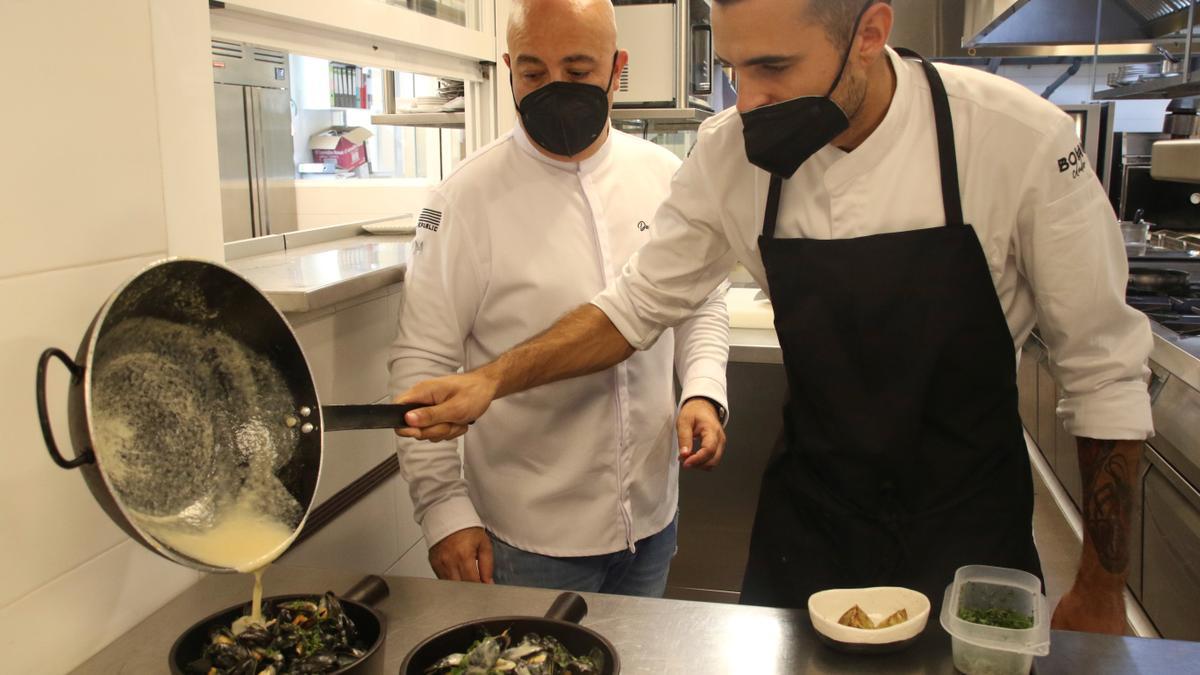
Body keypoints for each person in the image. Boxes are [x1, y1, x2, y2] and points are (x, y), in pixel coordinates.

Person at [395, 0, 1152, 635]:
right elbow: (634, 307)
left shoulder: (1016, 139)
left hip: (968, 520)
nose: (747, 98)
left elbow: (1102, 367)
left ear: (869, 32)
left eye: (774, 68)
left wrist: (1101, 582)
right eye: (734, 69)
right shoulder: (730, 156)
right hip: (813, 522)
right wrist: (492, 378)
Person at [388, 0, 730, 597]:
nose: (554, 89)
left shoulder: (662, 175)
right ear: (509, 70)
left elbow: (699, 301)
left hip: (652, 519)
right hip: (529, 539)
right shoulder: (464, 200)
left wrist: (703, 387)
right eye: (533, 73)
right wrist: (443, 510)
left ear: (616, 68)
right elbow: (422, 363)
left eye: (576, 71)